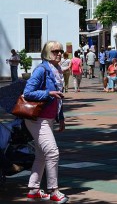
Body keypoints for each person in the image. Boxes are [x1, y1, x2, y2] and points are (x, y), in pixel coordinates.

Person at [23, 41, 68, 203]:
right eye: (55, 51)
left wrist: (60, 118)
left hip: (48, 118)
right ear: (47, 53)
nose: (59, 53)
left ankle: (34, 190)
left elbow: (59, 98)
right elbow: (28, 92)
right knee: (52, 152)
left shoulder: (56, 71)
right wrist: (48, 92)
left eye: (61, 51)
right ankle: (53, 190)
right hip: (37, 119)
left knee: (42, 155)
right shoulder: (42, 70)